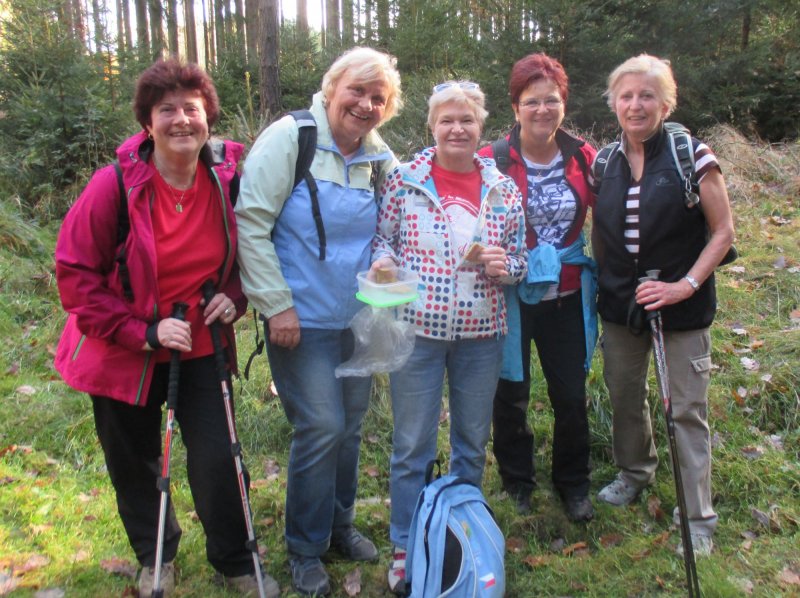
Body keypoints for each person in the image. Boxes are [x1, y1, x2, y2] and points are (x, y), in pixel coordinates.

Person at [54, 59, 279, 597]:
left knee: (219, 456)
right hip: (120, 346)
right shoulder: (113, 185)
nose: (182, 120)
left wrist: (236, 296)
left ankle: (235, 561)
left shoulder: (228, 178)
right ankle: (156, 555)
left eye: (193, 109)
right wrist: (144, 332)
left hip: (201, 339)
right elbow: (76, 273)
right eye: (167, 110)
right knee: (135, 460)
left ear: (209, 119)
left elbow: (256, 247)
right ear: (147, 122)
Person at [235, 47, 403, 597]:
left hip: (357, 320)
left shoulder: (381, 159)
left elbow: (399, 227)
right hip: (299, 321)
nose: (365, 103)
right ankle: (304, 548)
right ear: (332, 88)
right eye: (357, 90)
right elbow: (252, 222)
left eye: (378, 97)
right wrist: (274, 304)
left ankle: (340, 526)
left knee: (351, 429)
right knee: (322, 426)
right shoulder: (292, 137)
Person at [370, 81, 527, 595]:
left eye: (467, 120)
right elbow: (382, 237)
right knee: (412, 443)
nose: (457, 129)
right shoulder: (405, 180)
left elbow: (521, 259)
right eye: (446, 120)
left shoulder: (502, 189)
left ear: (481, 128)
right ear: (431, 126)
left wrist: (508, 267)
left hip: (482, 334)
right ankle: (403, 543)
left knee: (470, 442)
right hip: (418, 331)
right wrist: (384, 260)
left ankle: (462, 533)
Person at [592, 54, 734, 556]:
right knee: (625, 395)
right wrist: (605, 285)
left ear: (666, 103)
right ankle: (634, 472)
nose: (635, 104)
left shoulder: (692, 155)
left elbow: (723, 232)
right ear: (614, 103)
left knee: (686, 411)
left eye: (646, 95)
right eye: (626, 96)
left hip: (682, 308)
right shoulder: (603, 161)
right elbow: (602, 234)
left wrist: (685, 285)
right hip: (621, 308)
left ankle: (697, 517)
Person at [478, 53, 598, 521]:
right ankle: (517, 480)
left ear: (563, 104)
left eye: (552, 100)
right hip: (509, 296)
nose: (542, 110)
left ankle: (573, 483)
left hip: (567, 295)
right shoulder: (492, 160)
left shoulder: (582, 156)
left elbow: (609, 214)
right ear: (516, 107)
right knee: (511, 393)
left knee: (570, 395)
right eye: (532, 101)